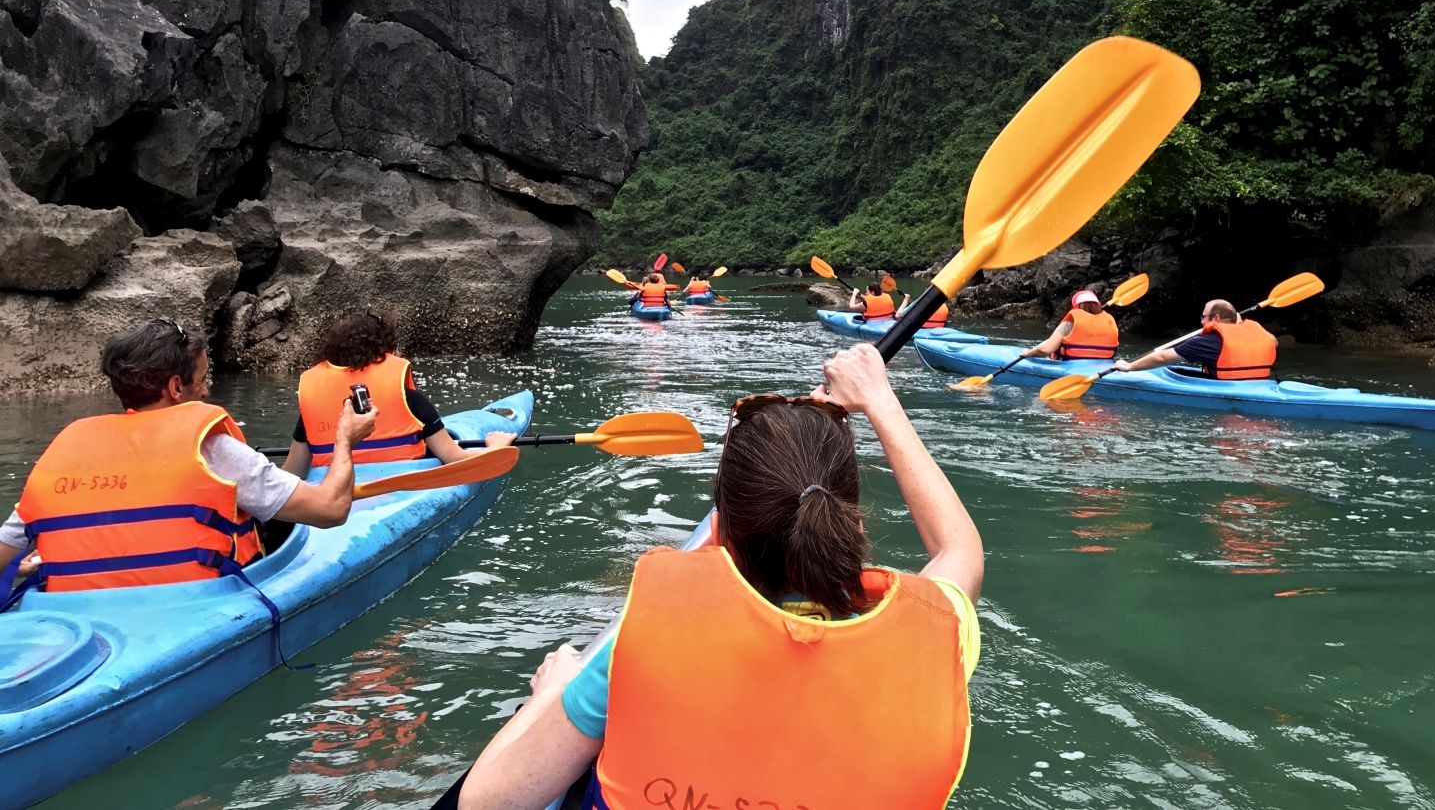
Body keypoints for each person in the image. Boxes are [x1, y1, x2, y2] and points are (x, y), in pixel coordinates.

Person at [456, 344, 984, 809]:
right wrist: (880, 401)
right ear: (853, 518)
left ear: (724, 525)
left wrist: (556, 691)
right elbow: (959, 548)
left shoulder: (648, 638)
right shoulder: (938, 633)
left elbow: (487, 803)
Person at [0, 318, 377, 594]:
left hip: (75, 614)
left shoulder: (68, 452)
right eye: (203, 378)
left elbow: (6, 551)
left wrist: (29, 567)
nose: (208, 388)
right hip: (192, 608)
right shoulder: (212, 448)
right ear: (176, 387)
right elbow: (329, 509)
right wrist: (345, 439)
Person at [283, 312, 516, 476]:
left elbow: (292, 473)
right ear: (384, 353)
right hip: (401, 483)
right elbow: (454, 458)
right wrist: (496, 447)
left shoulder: (313, 405)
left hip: (334, 490)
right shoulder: (411, 400)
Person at [1113, 299, 1277, 379]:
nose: (1201, 321)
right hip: (1260, 384)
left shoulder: (1207, 341)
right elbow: (1273, 342)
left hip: (1229, 388)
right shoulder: (1256, 330)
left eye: (1204, 317)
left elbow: (1162, 357)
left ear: (1217, 319)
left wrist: (1129, 367)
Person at [1023, 289, 1119, 361]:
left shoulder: (1070, 324)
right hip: (1102, 367)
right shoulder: (1110, 322)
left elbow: (1046, 350)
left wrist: (1029, 353)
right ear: (1098, 305)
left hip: (1070, 366)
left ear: (1075, 306)